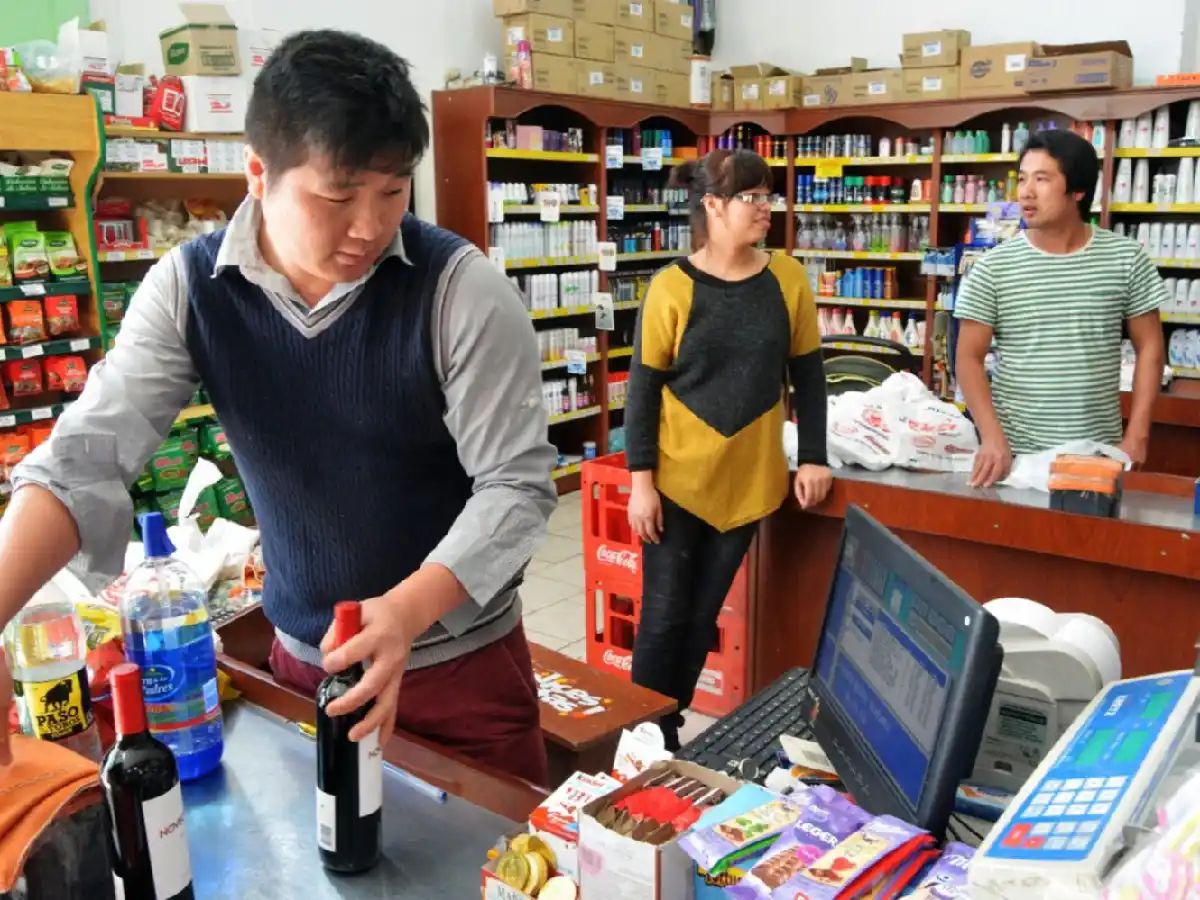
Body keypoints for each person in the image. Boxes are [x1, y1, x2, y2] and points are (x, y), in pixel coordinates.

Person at [0, 31, 556, 784]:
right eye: (338, 196)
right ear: (258, 173)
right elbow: (82, 460)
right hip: (302, 666)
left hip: (458, 671)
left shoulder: (460, 292)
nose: (369, 225)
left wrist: (405, 611)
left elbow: (516, 487)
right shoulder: (190, 290)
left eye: (394, 191)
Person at [623, 149, 832, 751]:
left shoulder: (787, 277)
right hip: (676, 478)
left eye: (770, 196)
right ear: (712, 205)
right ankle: (642, 740)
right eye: (753, 198)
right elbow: (642, 389)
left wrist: (813, 455)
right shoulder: (671, 286)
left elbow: (808, 375)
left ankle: (670, 726)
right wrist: (641, 481)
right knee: (663, 615)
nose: (768, 208)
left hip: (748, 477)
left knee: (701, 614)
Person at [956, 129, 1167, 488]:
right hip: (1017, 459)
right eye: (1023, 179)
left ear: (1078, 190)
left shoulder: (1126, 258)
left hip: (1099, 456)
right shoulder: (993, 267)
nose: (1026, 191)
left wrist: (1138, 435)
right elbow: (968, 359)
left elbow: (1150, 347)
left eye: (1042, 179)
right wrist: (992, 437)